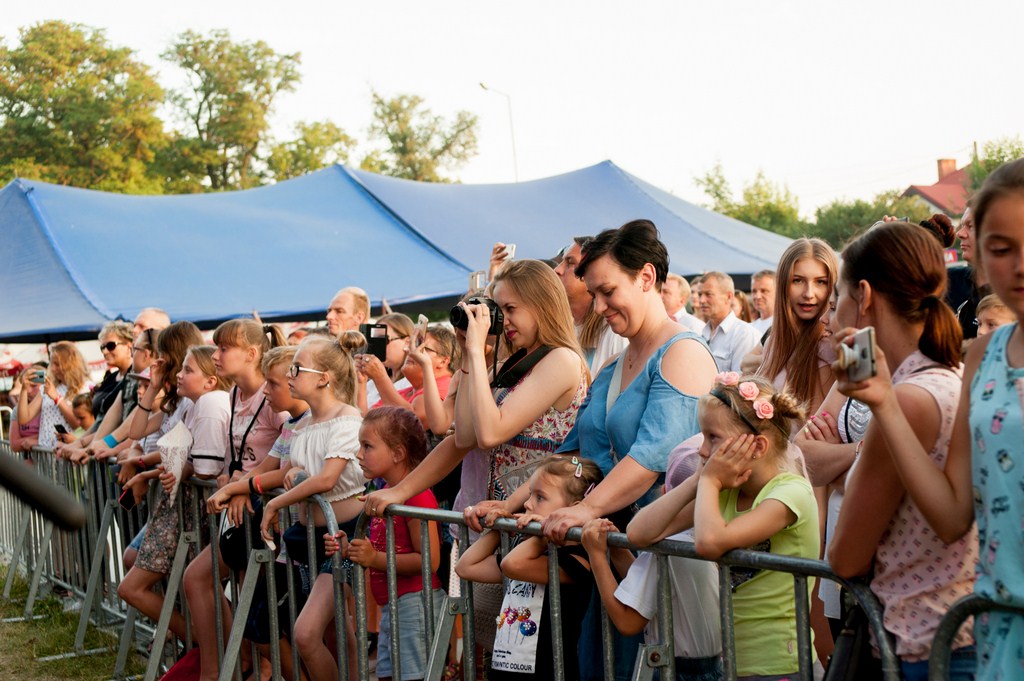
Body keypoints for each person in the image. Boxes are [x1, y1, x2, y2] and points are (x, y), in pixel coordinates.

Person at [479, 220, 714, 681]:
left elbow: (650, 458)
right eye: (593, 292)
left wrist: (581, 510)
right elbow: (571, 451)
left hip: (659, 565)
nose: (597, 306)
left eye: (607, 291)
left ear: (646, 278)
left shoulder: (681, 354)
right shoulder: (612, 363)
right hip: (610, 561)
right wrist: (509, 506)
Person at [832, 158, 1024, 680]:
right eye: (1002, 249)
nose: (1018, 266)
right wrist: (882, 403)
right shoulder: (979, 358)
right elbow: (950, 516)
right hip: (991, 632)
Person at [826, 219, 977, 679]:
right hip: (951, 635)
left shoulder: (906, 401)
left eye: (838, 302)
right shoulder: (942, 377)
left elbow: (846, 557)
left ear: (865, 298)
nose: (831, 321)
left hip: (925, 646)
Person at [628, 374, 819, 680]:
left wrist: (710, 480)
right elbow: (639, 533)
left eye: (713, 437)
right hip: (731, 664)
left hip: (780, 666)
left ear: (756, 446)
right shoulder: (725, 494)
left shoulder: (790, 493)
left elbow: (709, 543)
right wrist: (697, 481)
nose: (702, 450)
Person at [254, 337, 365, 681]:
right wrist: (291, 476)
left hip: (339, 539)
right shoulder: (301, 425)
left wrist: (276, 502)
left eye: (297, 368)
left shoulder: (347, 420)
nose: (290, 374)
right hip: (306, 538)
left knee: (306, 633)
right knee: (333, 633)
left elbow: (327, 479)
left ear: (324, 377)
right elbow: (297, 472)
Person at [118, 343, 231, 643]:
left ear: (210, 379)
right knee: (197, 588)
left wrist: (146, 467)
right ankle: (203, 648)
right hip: (179, 509)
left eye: (185, 368)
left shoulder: (207, 405)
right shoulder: (190, 406)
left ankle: (204, 648)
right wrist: (148, 469)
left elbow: (200, 467)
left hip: (192, 512)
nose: (178, 373)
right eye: (179, 367)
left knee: (196, 587)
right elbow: (166, 452)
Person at [581, 445, 722, 681]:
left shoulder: (665, 547)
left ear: (665, 492)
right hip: (712, 668)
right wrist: (616, 551)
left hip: (674, 669)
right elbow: (654, 589)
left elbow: (627, 621)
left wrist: (597, 557)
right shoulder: (704, 538)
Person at [456, 455, 602, 680]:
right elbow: (466, 567)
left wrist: (544, 532)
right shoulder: (527, 551)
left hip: (548, 672)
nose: (527, 504)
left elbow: (512, 565)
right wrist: (501, 528)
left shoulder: (576, 560)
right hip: (506, 668)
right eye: (530, 494)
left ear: (571, 510)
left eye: (540, 497)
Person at [337, 407, 443, 681]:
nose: (359, 454)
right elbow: (383, 546)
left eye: (367, 446)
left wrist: (374, 559)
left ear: (397, 453)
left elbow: (429, 561)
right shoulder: (382, 492)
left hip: (416, 606)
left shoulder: (417, 496)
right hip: (394, 605)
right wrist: (352, 547)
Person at [757, 238, 838, 415]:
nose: (809, 294)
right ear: (784, 285)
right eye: (798, 281)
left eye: (820, 282)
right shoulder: (773, 342)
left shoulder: (829, 347)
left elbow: (818, 433)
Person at [554, 236, 629, 374]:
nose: (557, 270)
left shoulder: (615, 332)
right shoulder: (561, 328)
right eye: (561, 262)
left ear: (590, 275)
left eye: (570, 263)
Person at [18, 340, 89, 450]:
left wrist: (57, 398)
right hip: (46, 454)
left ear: (70, 364)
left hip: (69, 454)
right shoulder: (48, 387)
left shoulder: (85, 388)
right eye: (52, 363)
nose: (52, 368)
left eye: (57, 364)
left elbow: (78, 424)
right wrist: (23, 389)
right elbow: (24, 418)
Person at [698, 272, 761, 372]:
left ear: (729, 297)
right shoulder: (702, 332)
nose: (701, 300)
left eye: (708, 294)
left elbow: (740, 381)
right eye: (700, 294)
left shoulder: (744, 334)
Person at [354, 312, 415, 412]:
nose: (378, 345)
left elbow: (408, 417)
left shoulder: (412, 382)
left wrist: (380, 377)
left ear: (407, 343)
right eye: (375, 339)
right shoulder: (372, 382)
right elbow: (361, 418)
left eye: (384, 340)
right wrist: (361, 382)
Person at [10, 362, 47, 453]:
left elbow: (59, 437)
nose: (29, 391)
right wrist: (41, 438)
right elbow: (14, 444)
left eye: (34, 386)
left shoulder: (51, 406)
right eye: (25, 387)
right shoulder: (17, 410)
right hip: (28, 464)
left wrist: (36, 441)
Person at [750, 270, 776, 334]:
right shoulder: (750, 327)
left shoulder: (784, 326)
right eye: (754, 291)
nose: (757, 296)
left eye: (764, 291)